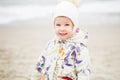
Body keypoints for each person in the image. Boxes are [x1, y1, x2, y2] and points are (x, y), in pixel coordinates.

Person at [31, 0, 91, 80]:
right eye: (58, 25)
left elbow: (84, 71)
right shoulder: (51, 44)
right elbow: (40, 64)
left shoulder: (79, 48)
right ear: (54, 26)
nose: (62, 28)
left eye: (67, 25)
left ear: (74, 26)